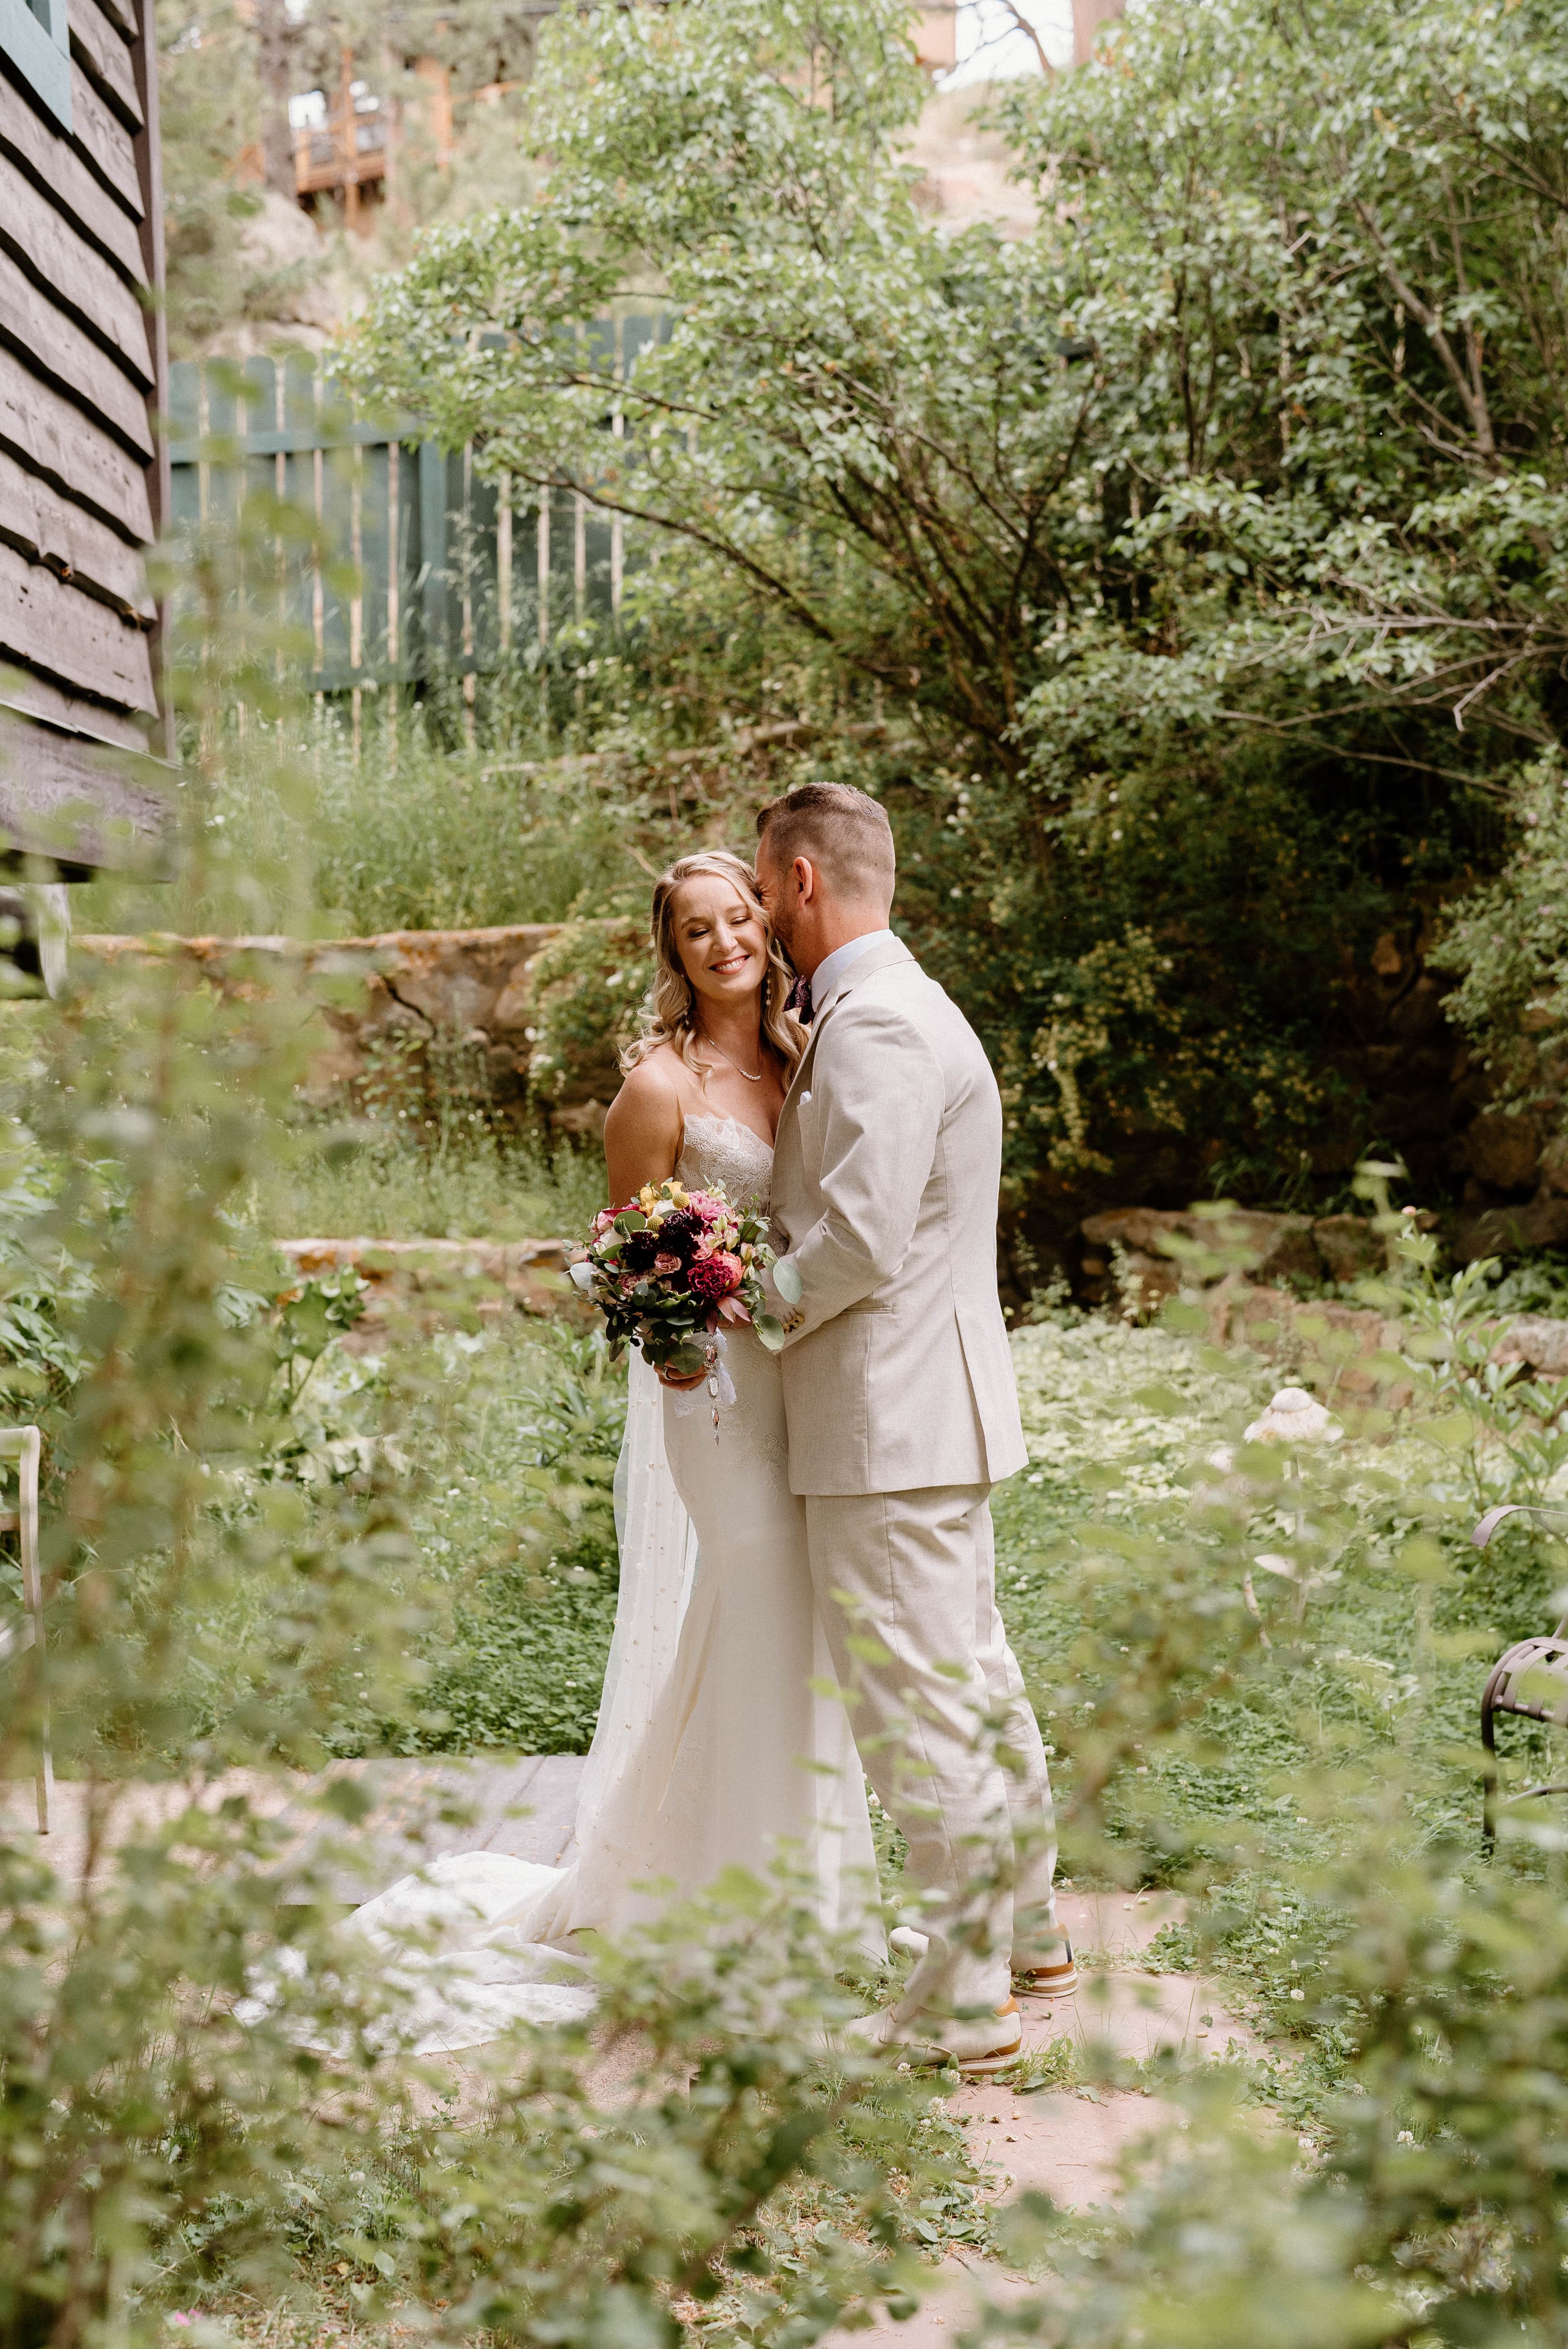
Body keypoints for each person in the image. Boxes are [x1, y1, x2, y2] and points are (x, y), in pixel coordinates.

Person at [343, 851, 880, 2051]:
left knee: (800, 1625)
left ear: (766, 918)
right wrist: (682, 1339)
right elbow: (617, 1257)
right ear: (675, 954)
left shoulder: (809, 1054)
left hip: (809, 1373)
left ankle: (803, 1891)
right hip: (715, 1393)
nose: (726, 939)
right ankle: (735, 1918)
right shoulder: (657, 1084)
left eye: (740, 914)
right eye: (698, 929)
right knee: (757, 1601)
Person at [754, 782, 1071, 2073]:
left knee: (916, 1708)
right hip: (932, 1415)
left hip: (888, 1424)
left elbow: (864, 1240)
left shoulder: (879, 1021)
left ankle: (958, 1996)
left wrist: (745, 1296)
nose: (769, 911)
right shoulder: (907, 1004)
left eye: (771, 887)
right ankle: (1033, 1933)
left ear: (802, 883)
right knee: (977, 1682)